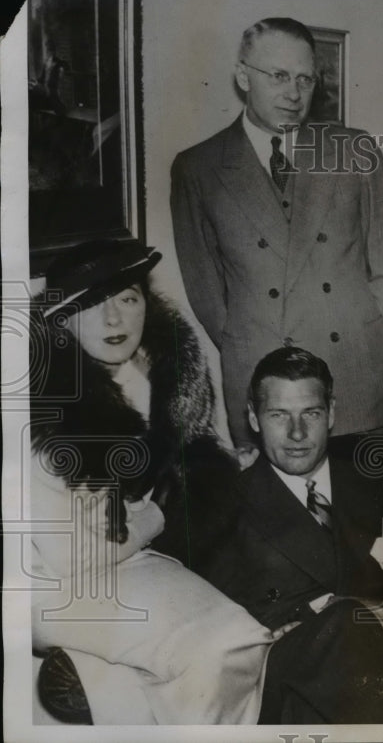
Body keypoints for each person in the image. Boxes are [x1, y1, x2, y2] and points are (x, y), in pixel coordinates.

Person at [29, 238, 275, 724]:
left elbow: (192, 458)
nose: (115, 319)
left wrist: (220, 470)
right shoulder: (41, 406)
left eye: (128, 297)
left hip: (126, 558)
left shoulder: (157, 374)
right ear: (60, 319)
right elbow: (66, 555)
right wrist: (161, 514)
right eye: (93, 304)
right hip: (50, 582)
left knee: (244, 634)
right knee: (226, 645)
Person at [171, 17, 383, 447]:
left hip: (354, 379)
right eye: (278, 76)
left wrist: (353, 331)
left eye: (305, 79)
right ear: (243, 76)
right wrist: (256, 341)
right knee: (276, 513)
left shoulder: (355, 150)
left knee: (366, 511)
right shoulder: (198, 168)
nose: (294, 93)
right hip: (265, 387)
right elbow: (206, 291)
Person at [199, 346, 383, 724]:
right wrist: (330, 608)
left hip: (380, 677)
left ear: (331, 413)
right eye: (279, 415)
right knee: (347, 624)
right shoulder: (225, 504)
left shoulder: (380, 485)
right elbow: (214, 621)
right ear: (253, 417)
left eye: (310, 414)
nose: (297, 433)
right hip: (282, 678)